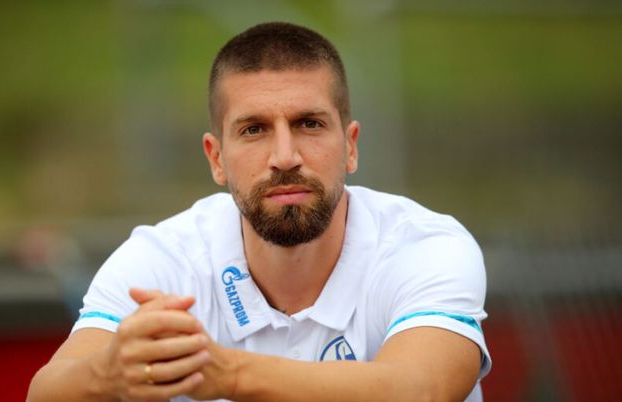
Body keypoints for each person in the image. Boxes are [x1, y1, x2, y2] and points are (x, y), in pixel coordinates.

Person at [27, 21, 491, 402]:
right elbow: (45, 391)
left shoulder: (425, 246)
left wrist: (226, 375)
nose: (285, 156)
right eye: (253, 130)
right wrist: (108, 374)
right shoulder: (165, 257)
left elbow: (421, 391)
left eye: (309, 124)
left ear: (350, 147)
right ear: (216, 159)